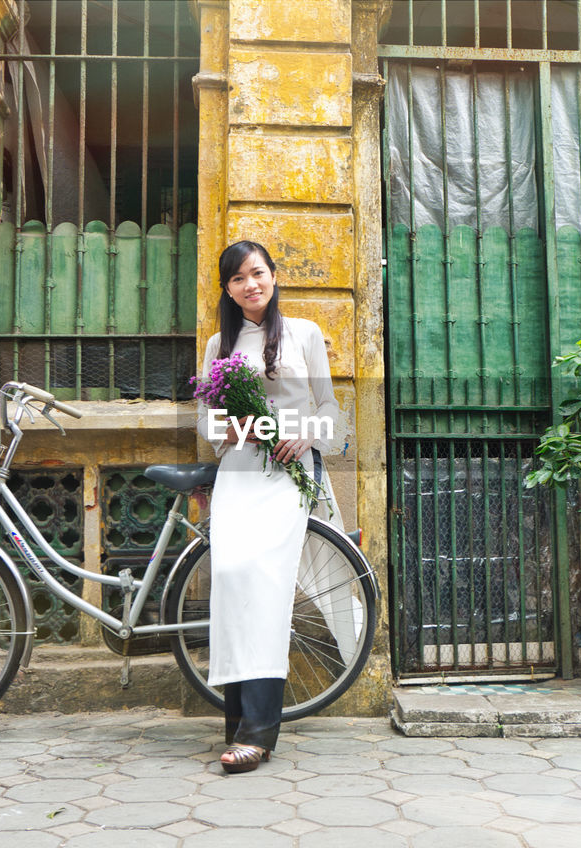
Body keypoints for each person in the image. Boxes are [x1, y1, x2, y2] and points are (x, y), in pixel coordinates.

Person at [195, 240, 340, 774]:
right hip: (238, 471)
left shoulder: (302, 333)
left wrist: (303, 433)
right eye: (237, 278)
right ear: (228, 290)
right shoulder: (219, 344)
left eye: (257, 273)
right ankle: (236, 726)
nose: (249, 284)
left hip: (287, 474)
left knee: (265, 581)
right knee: (231, 577)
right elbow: (205, 424)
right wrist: (225, 427)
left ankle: (257, 732)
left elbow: (331, 412)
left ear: (273, 276)